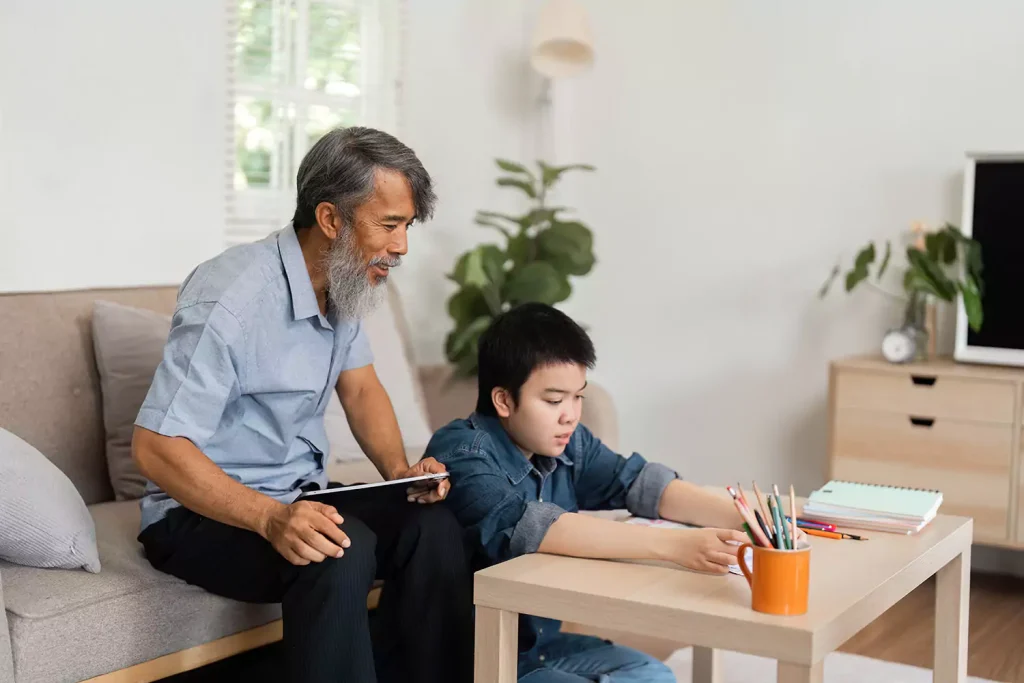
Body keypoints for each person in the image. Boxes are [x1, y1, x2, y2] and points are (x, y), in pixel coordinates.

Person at [132, 127, 473, 683]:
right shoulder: (233, 297)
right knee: (341, 547)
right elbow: (154, 446)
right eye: (389, 225)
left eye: (406, 225)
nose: (402, 246)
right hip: (198, 515)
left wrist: (400, 476)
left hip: (297, 496)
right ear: (332, 220)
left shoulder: (345, 283)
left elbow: (360, 388)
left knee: (429, 525)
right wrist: (269, 518)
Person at [425, 303, 761, 683]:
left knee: (654, 676)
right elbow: (533, 527)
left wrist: (748, 518)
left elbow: (638, 483)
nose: (570, 415)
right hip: (472, 659)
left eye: (577, 396)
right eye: (553, 401)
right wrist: (678, 546)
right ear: (503, 400)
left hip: (535, 649)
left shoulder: (567, 443)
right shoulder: (462, 453)